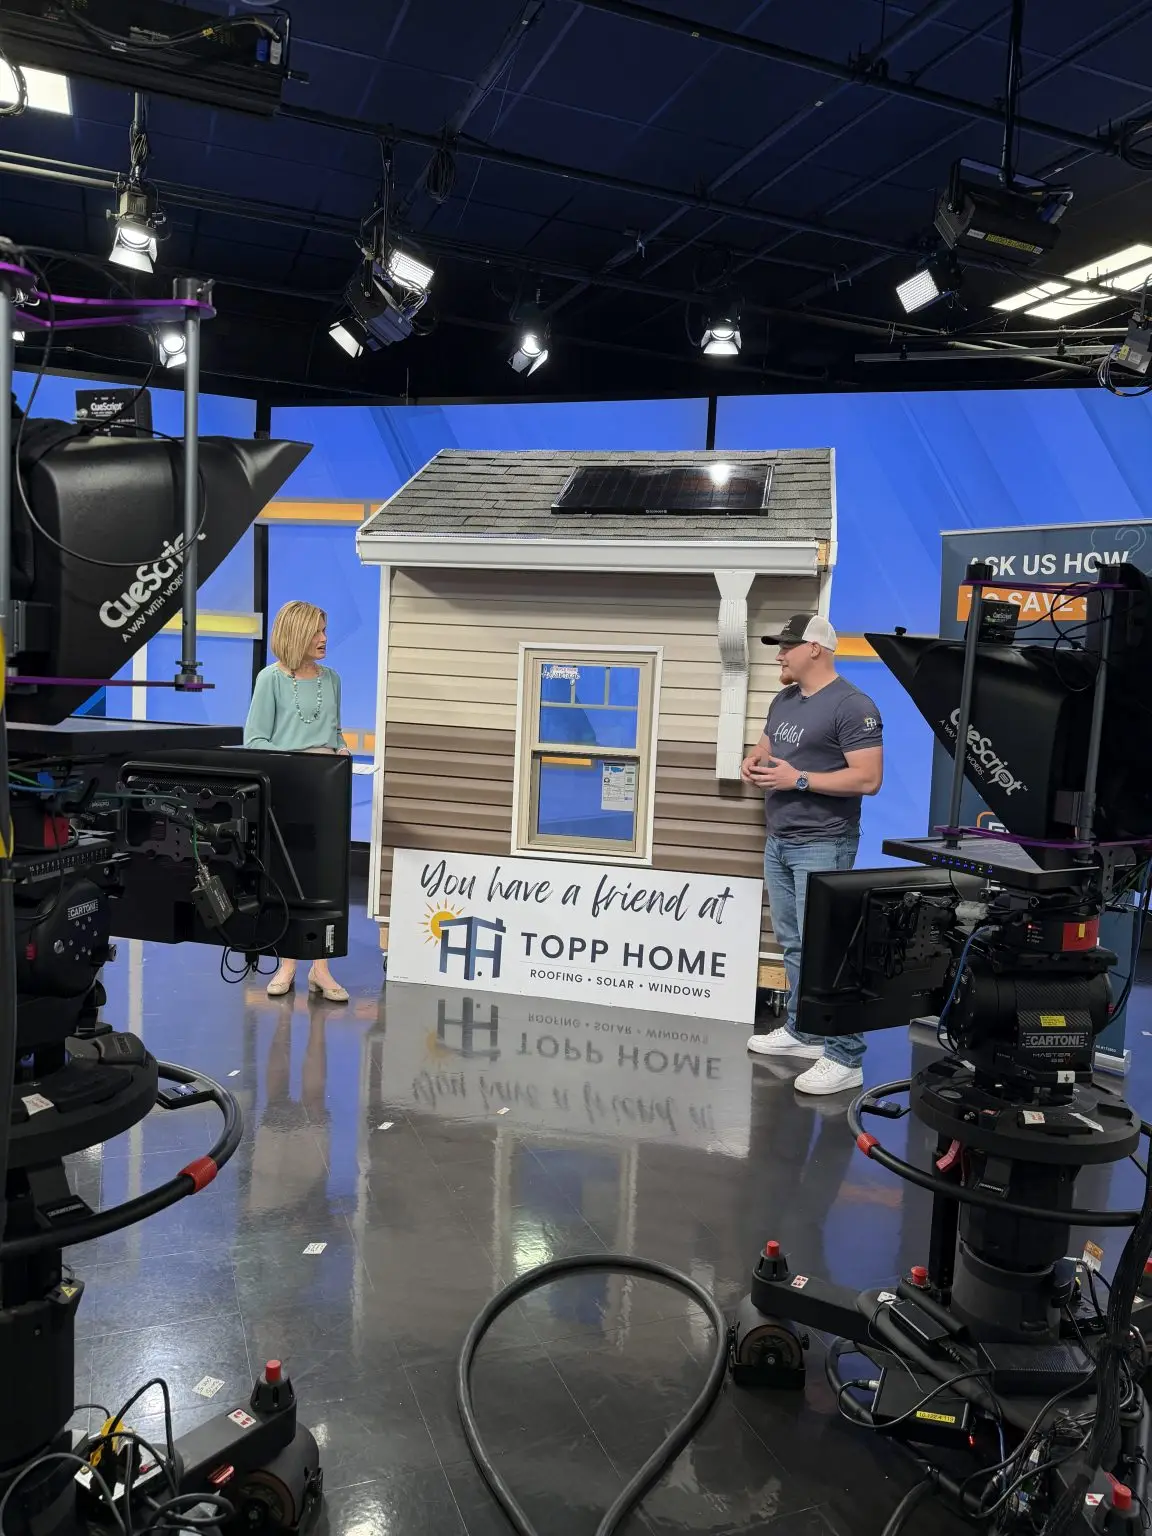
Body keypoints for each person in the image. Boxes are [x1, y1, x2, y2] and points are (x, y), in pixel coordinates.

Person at [741, 614, 884, 1096]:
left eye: (786, 646)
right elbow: (767, 748)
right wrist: (754, 762)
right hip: (780, 839)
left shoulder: (852, 705)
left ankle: (846, 1058)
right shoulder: (784, 700)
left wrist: (798, 779)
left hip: (824, 842)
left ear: (815, 649)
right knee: (796, 945)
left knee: (831, 950)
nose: (779, 654)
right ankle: (806, 1032)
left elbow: (868, 779)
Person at [245, 599, 351, 1002]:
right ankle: (288, 964)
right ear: (296, 635)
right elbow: (255, 741)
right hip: (288, 794)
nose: (324, 639)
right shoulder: (270, 680)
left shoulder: (333, 679)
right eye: (317, 632)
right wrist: (303, 759)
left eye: (325, 631)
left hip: (328, 792)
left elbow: (334, 732)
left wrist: (339, 752)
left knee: (326, 881)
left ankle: (321, 970)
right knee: (291, 879)